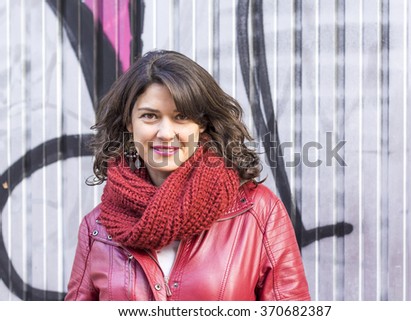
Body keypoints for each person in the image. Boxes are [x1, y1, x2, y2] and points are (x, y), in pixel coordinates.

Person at [65, 50, 310, 301]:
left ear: (201, 124)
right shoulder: (97, 228)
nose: (165, 133)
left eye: (181, 116)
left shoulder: (258, 211)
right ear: (129, 123)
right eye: (149, 116)